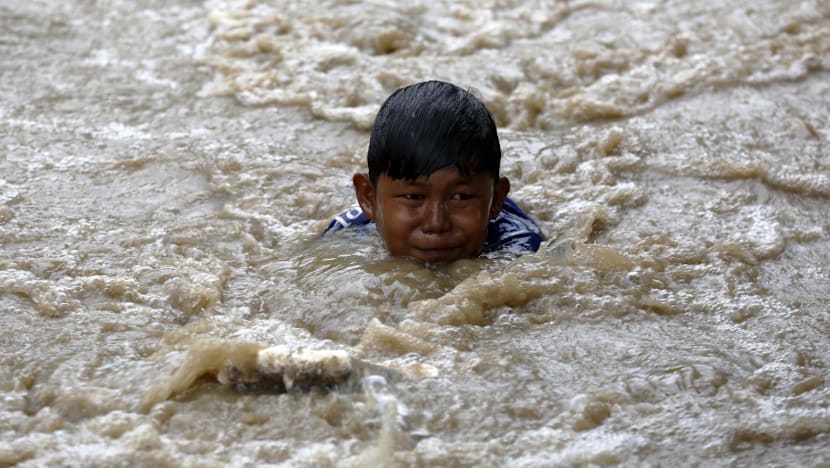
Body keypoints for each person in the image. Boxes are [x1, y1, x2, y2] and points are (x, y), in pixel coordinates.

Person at [323, 80, 544, 264]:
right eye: (413, 197)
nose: (436, 224)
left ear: (495, 200)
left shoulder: (521, 250)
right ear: (368, 199)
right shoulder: (345, 234)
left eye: (460, 198)